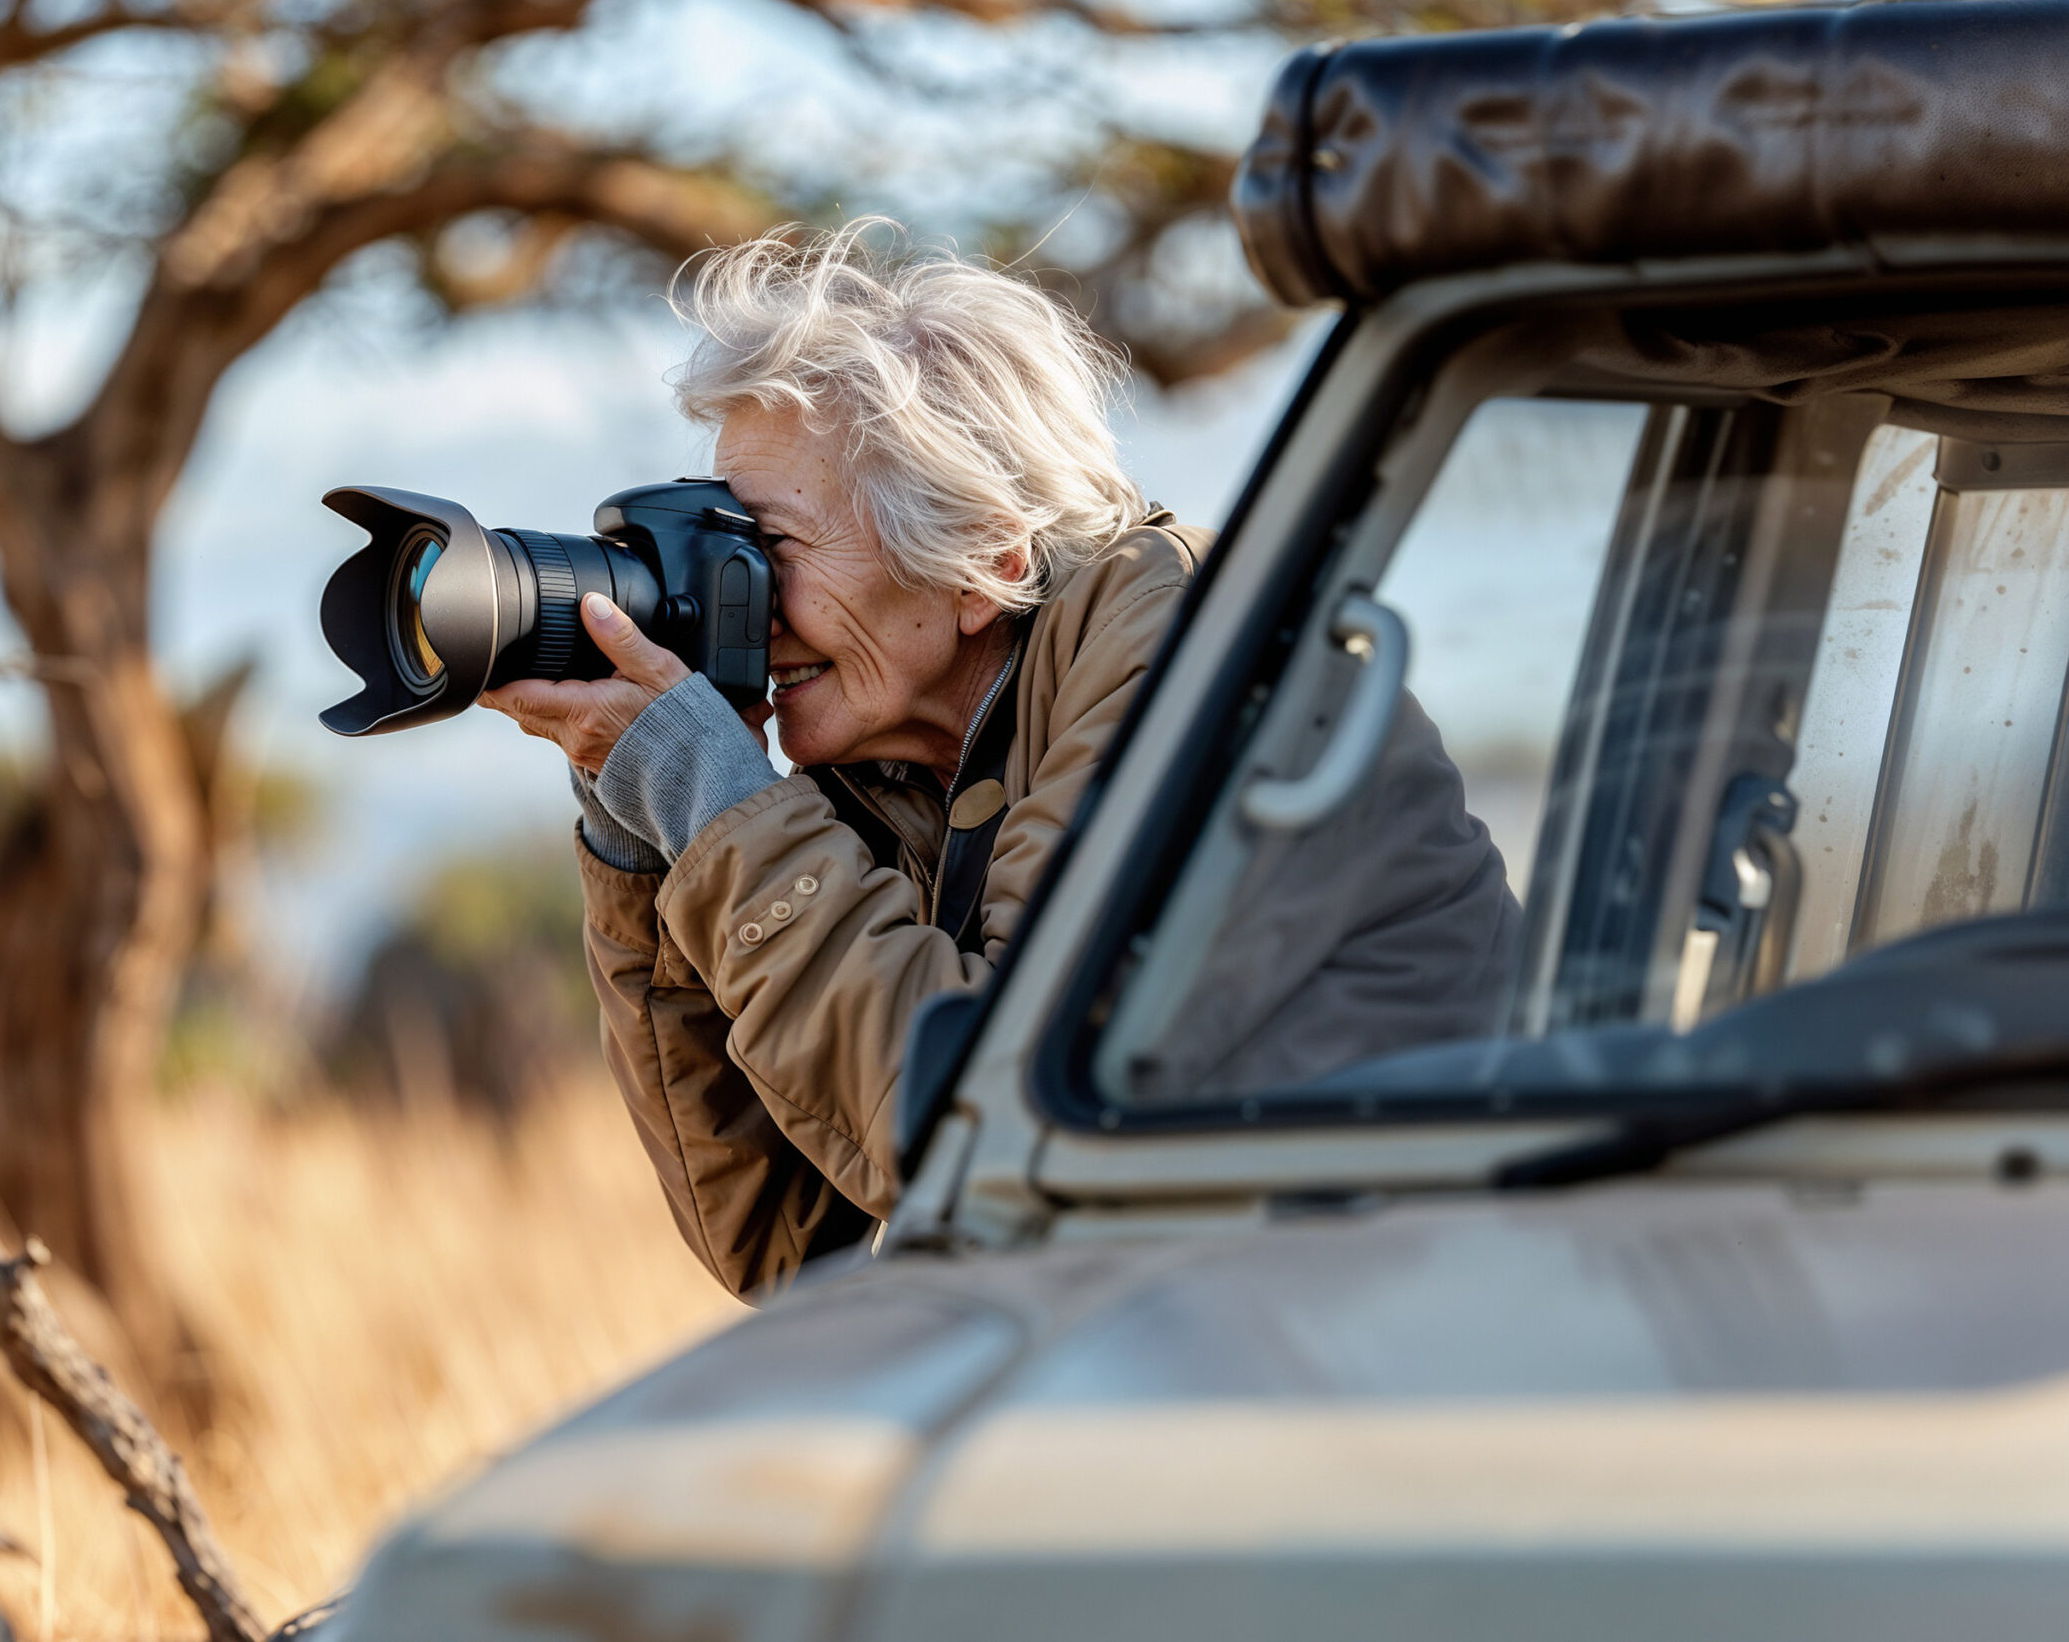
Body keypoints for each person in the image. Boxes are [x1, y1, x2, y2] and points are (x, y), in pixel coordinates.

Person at [484, 221, 1516, 1299]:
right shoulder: (898, 757)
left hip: (1432, 1320)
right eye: (719, 542)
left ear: (984, 554)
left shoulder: (1206, 656)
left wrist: (713, 803)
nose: (739, 604)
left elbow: (989, 1128)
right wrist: (637, 830)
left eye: (767, 550)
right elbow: (776, 1242)